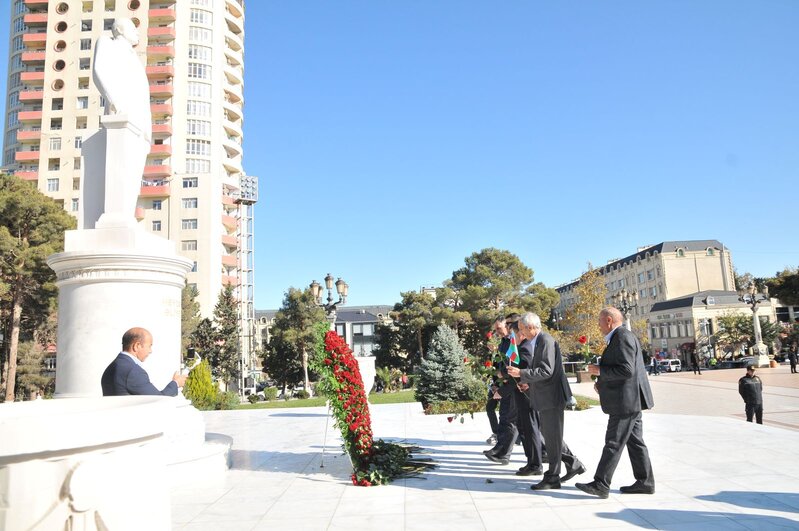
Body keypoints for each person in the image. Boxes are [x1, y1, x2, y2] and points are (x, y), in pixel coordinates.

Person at [576, 307, 655, 499]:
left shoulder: (622, 337)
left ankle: (601, 484)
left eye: (600, 321)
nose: (598, 325)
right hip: (630, 400)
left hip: (625, 402)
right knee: (635, 443)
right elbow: (623, 369)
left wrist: (600, 371)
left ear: (609, 320)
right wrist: (602, 383)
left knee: (613, 442)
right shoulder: (620, 337)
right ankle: (645, 482)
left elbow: (627, 370)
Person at [507, 313, 585, 490]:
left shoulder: (545, 341)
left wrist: (522, 374)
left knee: (553, 438)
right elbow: (543, 373)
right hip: (546, 396)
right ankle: (570, 466)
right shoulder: (540, 340)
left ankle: (553, 477)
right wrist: (528, 383)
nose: (520, 333)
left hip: (552, 397)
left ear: (531, 327)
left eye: (521, 329)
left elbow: (546, 371)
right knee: (551, 438)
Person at [101, 327, 187, 396]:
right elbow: (157, 401)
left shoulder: (111, 367)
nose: (150, 351)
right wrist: (176, 383)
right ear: (137, 346)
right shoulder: (133, 371)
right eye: (149, 346)